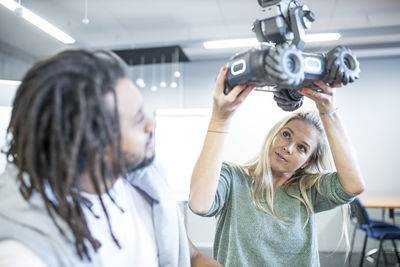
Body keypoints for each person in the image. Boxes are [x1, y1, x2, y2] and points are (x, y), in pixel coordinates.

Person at [0, 49, 220, 267]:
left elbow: (191, 258)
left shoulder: (145, 181)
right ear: (94, 144)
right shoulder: (24, 253)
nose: (151, 124)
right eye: (136, 120)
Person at [188, 66, 366, 266]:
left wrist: (328, 110)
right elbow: (199, 204)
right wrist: (219, 120)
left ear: (306, 161)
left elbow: (353, 185)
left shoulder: (307, 190)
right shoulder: (233, 178)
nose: (288, 147)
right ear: (274, 135)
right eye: (286, 134)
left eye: (301, 147)